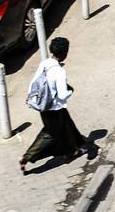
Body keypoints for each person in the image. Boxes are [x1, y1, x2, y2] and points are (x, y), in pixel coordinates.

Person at [20, 36, 88, 173]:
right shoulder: (59, 72)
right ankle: (27, 157)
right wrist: (70, 91)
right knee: (51, 133)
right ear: (65, 53)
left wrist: (29, 95)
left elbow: (35, 81)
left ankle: (72, 150)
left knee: (67, 125)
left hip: (43, 105)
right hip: (53, 108)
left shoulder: (45, 63)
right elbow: (63, 95)